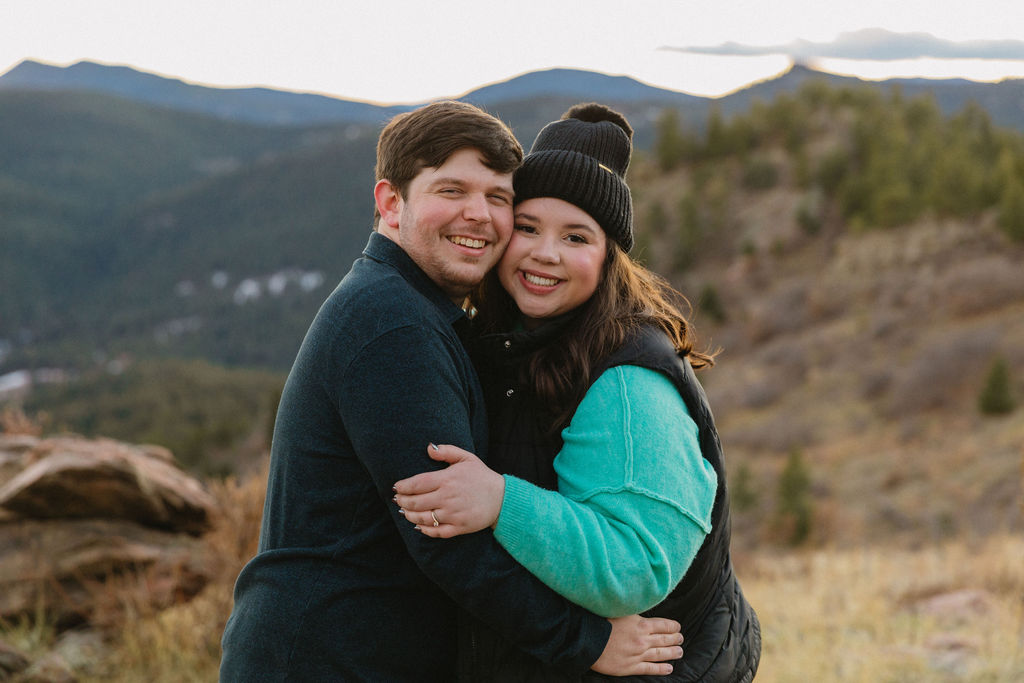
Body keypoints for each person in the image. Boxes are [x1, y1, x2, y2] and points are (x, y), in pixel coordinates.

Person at [219, 100, 685, 681]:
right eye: (451, 191)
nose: (480, 216)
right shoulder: (395, 325)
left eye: (498, 198)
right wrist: (586, 641)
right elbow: (445, 537)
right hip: (329, 657)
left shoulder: (421, 311)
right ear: (391, 203)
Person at [393, 103, 761, 681]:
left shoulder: (628, 382)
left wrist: (499, 501)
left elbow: (638, 565)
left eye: (576, 237)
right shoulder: (515, 341)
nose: (546, 253)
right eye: (529, 227)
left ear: (608, 258)